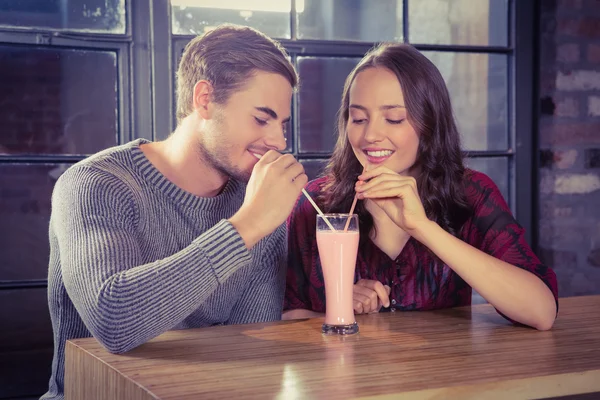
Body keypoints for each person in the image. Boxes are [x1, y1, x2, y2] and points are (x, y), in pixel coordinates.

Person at [42, 24, 307, 400]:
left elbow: (246, 349)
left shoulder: (258, 204)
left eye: (281, 124)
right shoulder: (95, 184)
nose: (278, 141)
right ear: (204, 99)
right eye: (261, 119)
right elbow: (114, 320)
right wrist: (246, 226)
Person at [283, 43, 558, 331]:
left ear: (429, 122)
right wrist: (340, 308)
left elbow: (541, 312)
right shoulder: (318, 203)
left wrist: (423, 228)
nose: (370, 135)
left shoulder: (470, 194)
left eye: (394, 119)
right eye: (359, 118)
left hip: (444, 372)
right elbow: (288, 314)